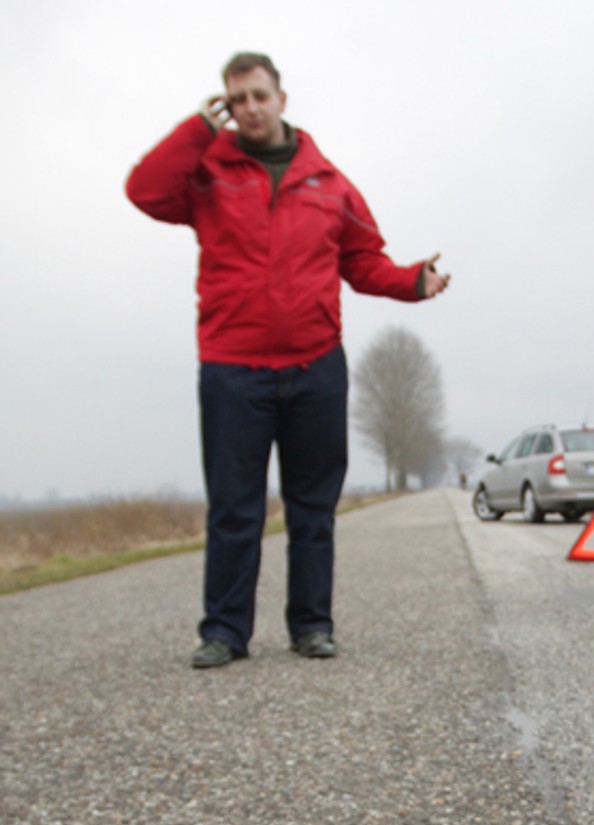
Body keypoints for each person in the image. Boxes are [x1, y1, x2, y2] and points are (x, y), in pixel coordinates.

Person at [126, 52, 450, 668]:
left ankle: (311, 625)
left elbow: (362, 260)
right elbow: (144, 193)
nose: (249, 108)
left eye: (258, 95)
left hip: (314, 366)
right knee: (234, 507)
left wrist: (412, 281)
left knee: (312, 507)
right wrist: (196, 129)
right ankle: (224, 632)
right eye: (236, 99)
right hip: (232, 367)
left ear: (281, 98)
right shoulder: (206, 170)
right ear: (225, 105)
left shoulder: (328, 182)